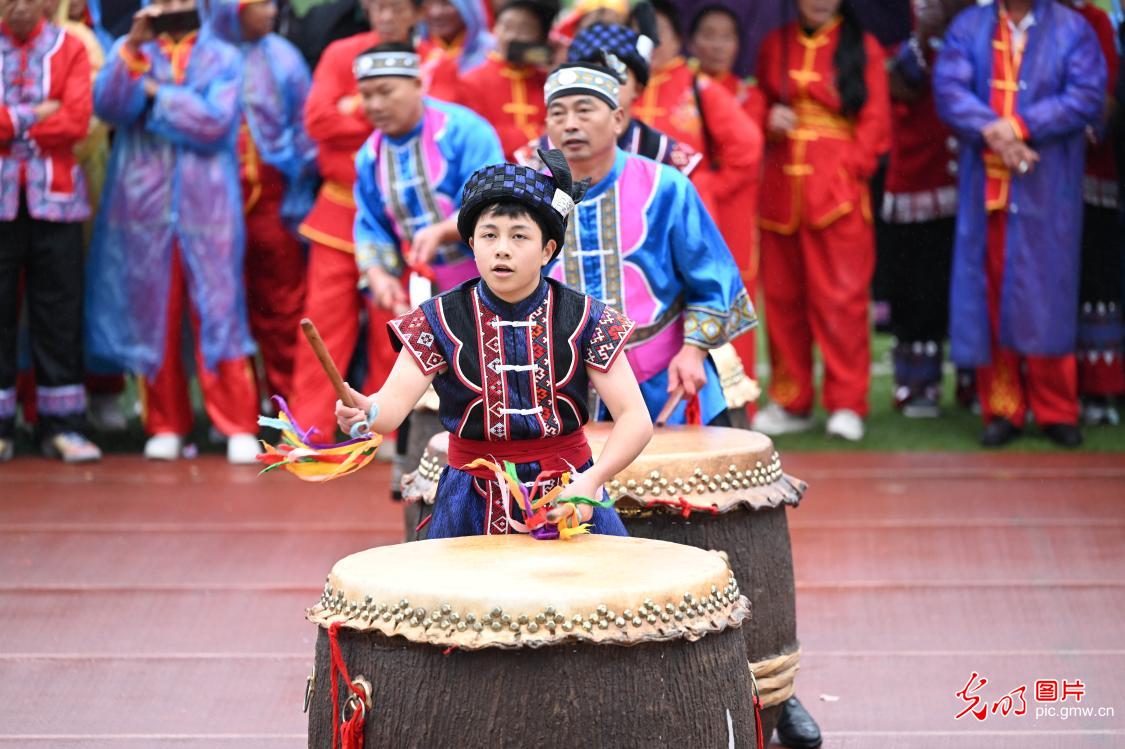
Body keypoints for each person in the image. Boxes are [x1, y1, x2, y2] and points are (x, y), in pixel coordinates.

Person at [335, 150, 653, 538]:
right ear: (472, 243)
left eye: (519, 236)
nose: (502, 248)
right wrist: (365, 412)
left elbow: (635, 418)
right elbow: (389, 411)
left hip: (569, 494)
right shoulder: (437, 319)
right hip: (469, 501)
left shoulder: (585, 317)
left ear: (548, 250)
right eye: (489, 235)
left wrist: (592, 481)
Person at [86, 0, 261, 463]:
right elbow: (108, 105)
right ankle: (164, 421)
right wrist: (132, 50)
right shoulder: (135, 50)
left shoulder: (223, 55)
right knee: (153, 313)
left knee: (219, 310)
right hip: (142, 205)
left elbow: (214, 122)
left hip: (209, 204)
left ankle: (236, 422)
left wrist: (155, 94)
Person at [541, 61, 756, 426]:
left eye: (584, 110)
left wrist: (693, 352)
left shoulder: (665, 186)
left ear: (619, 120)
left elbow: (712, 278)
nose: (570, 124)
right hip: (565, 389)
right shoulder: (530, 198)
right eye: (557, 113)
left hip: (666, 375)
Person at [933, 0, 1106, 447]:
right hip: (988, 193)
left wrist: (1021, 125)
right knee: (992, 295)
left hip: (1048, 189)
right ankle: (1003, 408)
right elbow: (949, 90)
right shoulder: (970, 26)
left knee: (1049, 294)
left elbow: (1087, 93)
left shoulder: (1074, 28)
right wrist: (999, 132)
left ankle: (1056, 409)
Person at [747, 0, 891, 442]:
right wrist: (768, 118)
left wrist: (850, 169)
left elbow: (876, 122)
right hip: (779, 189)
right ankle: (792, 400)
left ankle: (847, 402)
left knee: (842, 300)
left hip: (838, 192)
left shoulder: (864, 47)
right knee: (785, 300)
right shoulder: (775, 44)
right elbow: (757, 104)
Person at [290, 0, 419, 440]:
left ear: (417, 12)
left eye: (396, 6)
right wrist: (382, 117)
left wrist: (352, 108)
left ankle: (383, 429)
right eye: (376, 4)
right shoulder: (341, 53)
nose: (385, 13)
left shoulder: (433, 58)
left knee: (396, 329)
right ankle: (310, 428)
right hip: (337, 213)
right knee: (321, 325)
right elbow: (316, 121)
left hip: (404, 220)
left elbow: (429, 122)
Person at [0, 0, 101, 462]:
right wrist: (35, 114)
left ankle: (62, 425)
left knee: (58, 310)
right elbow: (55, 116)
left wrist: (10, 123)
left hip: (56, 201)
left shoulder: (71, 47)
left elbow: (77, 119)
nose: (19, 7)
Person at [211, 0, 317, 402]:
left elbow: (306, 127)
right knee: (219, 306)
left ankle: (287, 406)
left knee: (282, 305)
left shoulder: (284, 57)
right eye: (260, 5)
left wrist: (295, 178)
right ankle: (234, 413)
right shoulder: (204, 55)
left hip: (273, 203)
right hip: (210, 207)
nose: (272, 12)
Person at [353, 43, 504, 310]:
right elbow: (371, 224)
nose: (375, 105)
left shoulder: (463, 131)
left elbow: (494, 200)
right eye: (366, 95)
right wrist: (378, 274)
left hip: (492, 276)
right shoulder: (370, 155)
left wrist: (444, 231)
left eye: (386, 92)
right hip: (425, 288)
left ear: (418, 84)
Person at [880, 0, 971, 418]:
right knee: (919, 288)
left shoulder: (986, 20)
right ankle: (918, 385)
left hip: (974, 180)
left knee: (971, 288)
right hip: (918, 179)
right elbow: (898, 86)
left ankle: (975, 381)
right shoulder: (896, 17)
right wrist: (922, 36)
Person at [1062, 0, 1121, 426]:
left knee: (1097, 276)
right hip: (1035, 173)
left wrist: (1071, 135)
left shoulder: (1095, 20)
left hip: (1088, 168)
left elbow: (1107, 95)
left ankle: (1100, 390)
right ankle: (1053, 391)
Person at [456, 0, 555, 160]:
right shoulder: (471, 81)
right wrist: (536, 134)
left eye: (524, 29)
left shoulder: (549, 82)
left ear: (540, 37)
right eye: (506, 27)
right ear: (494, 29)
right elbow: (477, 136)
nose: (512, 36)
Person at [415, 0, 493, 101]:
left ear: (468, 8)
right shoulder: (416, 53)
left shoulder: (492, 52)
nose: (436, 13)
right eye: (429, 4)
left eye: (446, 4)